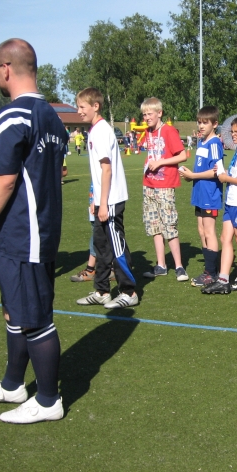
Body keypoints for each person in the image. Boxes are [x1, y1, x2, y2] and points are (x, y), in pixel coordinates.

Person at [0, 38, 65, 424]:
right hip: (38, 230)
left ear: (5, 68)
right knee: (15, 310)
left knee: (35, 317)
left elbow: (3, 180)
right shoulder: (51, 115)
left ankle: (49, 400)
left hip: (25, 233)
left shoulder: (14, 114)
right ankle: (12, 384)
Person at [74, 88, 138, 309]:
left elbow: (107, 169)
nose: (79, 111)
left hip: (111, 200)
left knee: (116, 246)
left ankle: (129, 292)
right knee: (101, 245)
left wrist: (103, 203)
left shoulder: (101, 131)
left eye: (82, 107)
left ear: (96, 106)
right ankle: (102, 290)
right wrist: (96, 200)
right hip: (102, 200)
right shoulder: (94, 130)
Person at [202, 114, 237, 294]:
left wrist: (227, 178)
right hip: (231, 200)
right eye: (232, 131)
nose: (233, 135)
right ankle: (223, 280)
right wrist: (224, 172)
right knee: (225, 238)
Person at [139, 97, 189, 281]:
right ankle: (161, 265)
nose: (146, 118)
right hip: (149, 184)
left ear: (159, 113)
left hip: (165, 185)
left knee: (169, 225)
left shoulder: (168, 131)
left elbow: (182, 155)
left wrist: (161, 162)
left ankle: (179, 266)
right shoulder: (148, 132)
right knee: (154, 225)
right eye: (144, 115)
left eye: (149, 114)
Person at [179, 106, 224, 287]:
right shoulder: (202, 142)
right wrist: (189, 175)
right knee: (201, 231)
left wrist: (193, 176)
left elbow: (217, 171)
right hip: (199, 192)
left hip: (209, 194)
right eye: (199, 122)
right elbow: (201, 168)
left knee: (209, 231)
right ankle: (209, 269)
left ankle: (211, 273)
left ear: (215, 124)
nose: (201, 125)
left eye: (205, 122)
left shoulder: (214, 143)